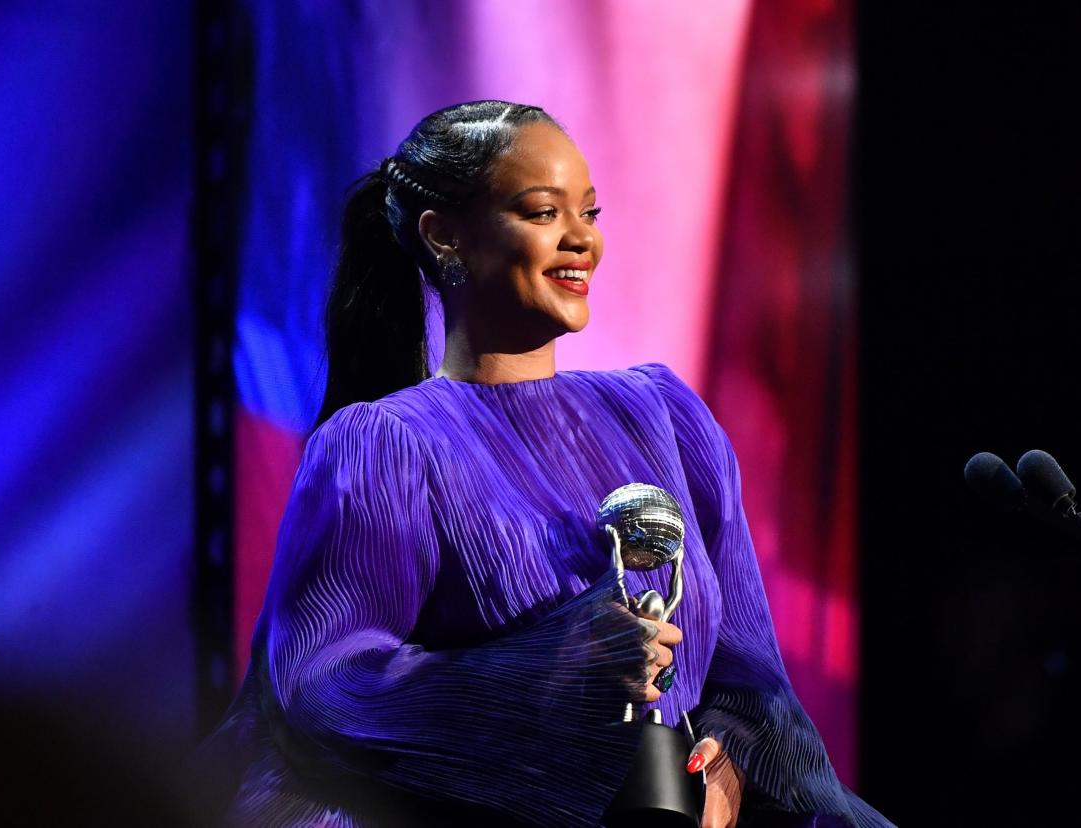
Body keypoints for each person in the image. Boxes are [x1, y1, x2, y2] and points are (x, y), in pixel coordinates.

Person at [203, 100, 893, 828]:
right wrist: (556, 668)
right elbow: (327, 687)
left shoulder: (665, 416)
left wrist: (722, 763)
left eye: (589, 214)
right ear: (446, 238)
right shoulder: (385, 445)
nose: (581, 241)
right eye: (541, 213)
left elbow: (751, 681)